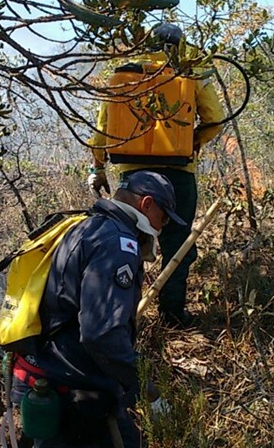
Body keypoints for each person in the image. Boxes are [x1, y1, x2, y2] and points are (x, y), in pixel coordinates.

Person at [11, 171, 186, 448]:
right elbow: (101, 333)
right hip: (67, 392)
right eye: (162, 218)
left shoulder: (83, 227)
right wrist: (146, 387)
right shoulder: (116, 243)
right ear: (146, 205)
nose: (161, 228)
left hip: (77, 380)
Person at [87, 23, 228, 328]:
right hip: (179, 176)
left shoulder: (122, 74)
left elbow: (101, 130)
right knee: (177, 247)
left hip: (132, 176)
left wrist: (98, 168)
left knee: (125, 243)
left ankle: (120, 317)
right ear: (181, 45)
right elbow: (215, 119)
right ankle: (172, 316)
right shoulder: (192, 73)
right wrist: (192, 143)